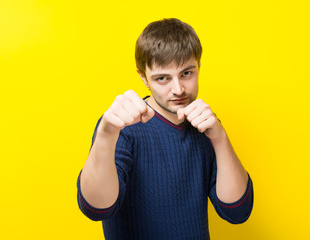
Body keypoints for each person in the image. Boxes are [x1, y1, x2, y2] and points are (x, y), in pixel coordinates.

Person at [77, 18, 254, 240]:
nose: (178, 89)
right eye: (162, 78)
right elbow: (96, 208)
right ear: (143, 77)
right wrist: (105, 134)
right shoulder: (122, 127)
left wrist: (219, 138)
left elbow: (237, 211)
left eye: (186, 74)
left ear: (199, 66)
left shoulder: (206, 125)